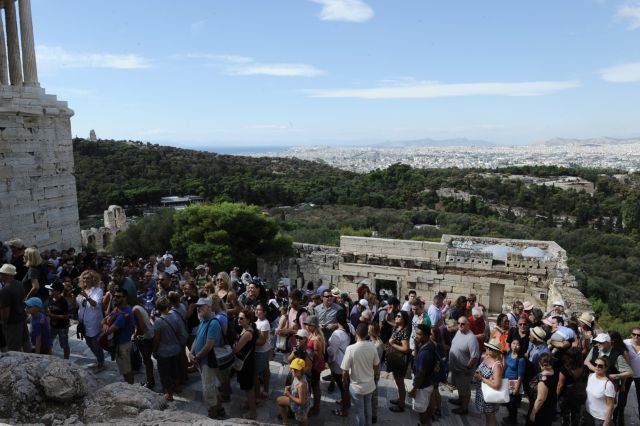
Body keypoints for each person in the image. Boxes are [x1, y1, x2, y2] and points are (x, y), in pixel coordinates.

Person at [188, 297, 224, 419]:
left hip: (208, 362)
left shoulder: (213, 323)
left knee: (208, 389)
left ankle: (213, 412)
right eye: (197, 307)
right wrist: (191, 353)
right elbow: (197, 338)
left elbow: (208, 346)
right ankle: (220, 408)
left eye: (201, 306)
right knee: (212, 385)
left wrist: (196, 357)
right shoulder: (203, 320)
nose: (198, 309)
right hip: (201, 361)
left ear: (209, 307)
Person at [341, 322, 379, 426]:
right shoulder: (373, 347)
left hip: (357, 387)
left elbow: (344, 370)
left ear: (356, 333)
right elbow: (376, 365)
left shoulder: (351, 349)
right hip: (370, 385)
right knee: (368, 408)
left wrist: (344, 381)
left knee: (359, 412)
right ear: (367, 334)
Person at [153, 296, 186, 402]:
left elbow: (157, 339)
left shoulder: (158, 321)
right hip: (176, 348)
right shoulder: (175, 316)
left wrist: (154, 350)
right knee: (175, 369)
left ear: (158, 308)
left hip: (164, 352)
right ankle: (177, 386)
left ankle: (169, 393)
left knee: (165, 373)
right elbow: (179, 331)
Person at [102, 287, 135, 384]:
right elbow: (103, 320)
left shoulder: (123, 314)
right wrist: (105, 323)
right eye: (114, 296)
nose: (115, 298)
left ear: (125, 298)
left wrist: (105, 324)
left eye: (118, 297)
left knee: (127, 371)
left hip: (123, 346)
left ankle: (131, 389)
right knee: (125, 370)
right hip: (120, 344)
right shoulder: (118, 308)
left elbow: (107, 332)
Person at [449, 316, 480, 415]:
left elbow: (474, 356)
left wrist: (468, 368)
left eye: (463, 324)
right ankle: (460, 400)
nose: (460, 325)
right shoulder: (459, 332)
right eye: (458, 323)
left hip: (464, 370)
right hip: (456, 368)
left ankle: (464, 408)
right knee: (459, 386)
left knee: (465, 389)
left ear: (468, 325)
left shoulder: (471, 338)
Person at [77, 270, 104, 370]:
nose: (85, 280)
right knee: (88, 342)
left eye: (88, 278)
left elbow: (95, 304)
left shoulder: (98, 291)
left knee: (95, 343)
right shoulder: (81, 290)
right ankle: (99, 359)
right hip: (83, 322)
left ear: (93, 279)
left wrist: (86, 297)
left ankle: (101, 362)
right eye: (84, 278)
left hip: (94, 322)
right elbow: (79, 305)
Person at [409, 324, 436, 426]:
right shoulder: (429, 344)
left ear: (426, 336)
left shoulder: (425, 353)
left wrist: (414, 389)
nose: (416, 336)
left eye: (419, 334)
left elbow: (421, 373)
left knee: (421, 411)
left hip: (422, 386)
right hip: (428, 383)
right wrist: (416, 344)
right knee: (426, 407)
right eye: (416, 333)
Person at [327, 309, 351, 417]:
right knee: (345, 385)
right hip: (346, 361)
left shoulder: (336, 334)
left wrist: (327, 351)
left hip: (338, 364)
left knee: (343, 387)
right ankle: (346, 402)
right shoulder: (350, 327)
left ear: (337, 320)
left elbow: (332, 351)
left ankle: (344, 410)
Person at [475, 338, 504, 426]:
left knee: (491, 416)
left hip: (490, 394)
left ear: (496, 351)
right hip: (482, 392)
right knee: (487, 416)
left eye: (490, 349)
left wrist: (482, 378)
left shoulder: (497, 365)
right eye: (487, 347)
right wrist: (477, 374)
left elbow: (497, 385)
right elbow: (479, 370)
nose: (487, 349)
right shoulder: (487, 357)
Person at [0, 263, 29, 352]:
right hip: (22, 317)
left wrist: (4, 323)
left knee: (13, 348)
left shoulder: (5, 290)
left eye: (1, 273)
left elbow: (5, 310)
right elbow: (23, 299)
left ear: (6, 275)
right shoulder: (19, 284)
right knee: (25, 341)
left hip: (12, 322)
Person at [234, 309, 257, 420]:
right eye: (238, 317)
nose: (239, 320)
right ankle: (249, 404)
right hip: (246, 362)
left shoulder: (248, 333)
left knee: (249, 388)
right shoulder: (245, 329)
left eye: (241, 318)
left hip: (246, 364)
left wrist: (235, 346)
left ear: (248, 320)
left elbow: (237, 348)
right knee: (247, 386)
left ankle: (252, 412)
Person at [556, 347, 587, 426]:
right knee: (576, 416)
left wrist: (555, 396)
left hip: (566, 397)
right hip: (579, 396)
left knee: (565, 417)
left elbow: (560, 384)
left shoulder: (564, 369)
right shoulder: (585, 368)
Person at [387, 309, 411, 412]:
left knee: (400, 383)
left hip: (400, 360)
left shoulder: (404, 331)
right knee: (397, 381)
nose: (396, 317)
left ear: (404, 319)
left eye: (398, 316)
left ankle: (401, 405)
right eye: (396, 315)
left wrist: (392, 344)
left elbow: (406, 349)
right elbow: (388, 320)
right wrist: (389, 312)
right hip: (395, 359)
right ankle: (400, 399)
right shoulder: (397, 327)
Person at [277, 358, 310, 426]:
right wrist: (289, 387)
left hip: (300, 408)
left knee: (302, 422)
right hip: (294, 401)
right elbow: (295, 385)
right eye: (292, 368)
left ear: (301, 370)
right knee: (279, 400)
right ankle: (285, 423)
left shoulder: (301, 385)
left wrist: (288, 395)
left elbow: (301, 402)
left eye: (296, 369)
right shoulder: (296, 376)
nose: (293, 371)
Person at [303, 315, 325, 417]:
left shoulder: (316, 339)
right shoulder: (312, 335)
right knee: (314, 385)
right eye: (306, 324)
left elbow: (317, 355)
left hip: (315, 366)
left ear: (314, 326)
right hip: (312, 364)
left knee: (315, 386)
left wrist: (312, 367)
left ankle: (316, 408)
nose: (307, 326)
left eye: (309, 325)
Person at [526, 353, 557, 426]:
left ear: (540, 363)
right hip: (549, 407)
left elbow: (540, 399)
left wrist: (533, 413)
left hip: (540, 410)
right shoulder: (553, 372)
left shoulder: (543, 379)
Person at [585, 356, 616, 426]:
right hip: (588, 413)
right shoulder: (590, 376)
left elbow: (610, 406)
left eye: (600, 366)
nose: (597, 367)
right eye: (595, 364)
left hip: (600, 418)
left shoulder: (608, 385)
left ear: (606, 368)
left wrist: (607, 422)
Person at [503, 339, 526, 426]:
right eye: (514, 343)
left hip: (514, 384)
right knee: (508, 403)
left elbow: (520, 376)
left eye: (518, 344)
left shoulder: (521, 359)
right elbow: (505, 365)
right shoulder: (509, 353)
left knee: (513, 405)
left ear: (520, 347)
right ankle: (510, 418)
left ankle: (513, 421)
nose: (515, 345)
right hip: (506, 381)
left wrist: (516, 389)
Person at [46, 280, 70, 359]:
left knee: (64, 344)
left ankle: (66, 361)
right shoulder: (50, 299)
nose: (49, 291)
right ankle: (49, 357)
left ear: (58, 291)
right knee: (48, 342)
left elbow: (66, 316)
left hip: (62, 327)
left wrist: (53, 316)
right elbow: (49, 309)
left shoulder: (63, 302)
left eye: (51, 290)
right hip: (52, 325)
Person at [254, 302, 273, 400]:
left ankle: (257, 395)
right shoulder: (257, 321)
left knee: (256, 373)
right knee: (266, 371)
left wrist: (249, 341)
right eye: (256, 309)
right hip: (262, 351)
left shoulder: (265, 323)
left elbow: (262, 341)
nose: (257, 311)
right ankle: (265, 390)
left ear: (264, 312)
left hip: (261, 352)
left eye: (259, 310)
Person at [622, 326, 640, 423]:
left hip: (639, 376)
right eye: (634, 334)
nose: (636, 337)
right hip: (627, 375)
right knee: (623, 398)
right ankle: (619, 418)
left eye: (639, 335)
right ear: (631, 335)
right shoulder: (626, 343)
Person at [368, 323, 383, 424]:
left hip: (373, 373)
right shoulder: (372, 341)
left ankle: (374, 415)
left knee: (374, 395)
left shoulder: (377, 345)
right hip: (371, 372)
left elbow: (375, 362)